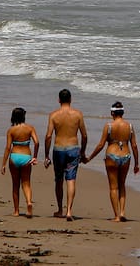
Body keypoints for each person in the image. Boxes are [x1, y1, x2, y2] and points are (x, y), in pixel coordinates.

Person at [84, 101, 140, 222]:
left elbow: (100, 145)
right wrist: (136, 163)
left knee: (113, 187)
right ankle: (122, 212)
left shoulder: (109, 126)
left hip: (112, 156)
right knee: (122, 185)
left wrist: (89, 158)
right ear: (123, 112)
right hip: (126, 156)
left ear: (112, 113)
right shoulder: (129, 126)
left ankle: (116, 216)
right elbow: (134, 146)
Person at [44, 88, 88, 221]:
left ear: (59, 100)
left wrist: (46, 155)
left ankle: (60, 209)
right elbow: (84, 136)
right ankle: (69, 210)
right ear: (70, 100)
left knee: (58, 180)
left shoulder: (53, 115)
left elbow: (48, 136)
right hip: (73, 148)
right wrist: (83, 151)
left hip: (58, 149)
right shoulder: (78, 114)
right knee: (71, 180)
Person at [0, 107, 40, 218]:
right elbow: (37, 142)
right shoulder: (30, 128)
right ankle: (29, 203)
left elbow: (8, 147)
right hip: (26, 157)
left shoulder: (11, 130)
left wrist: (3, 164)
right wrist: (35, 157)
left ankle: (16, 211)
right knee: (26, 183)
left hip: (14, 157)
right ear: (23, 116)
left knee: (15, 185)